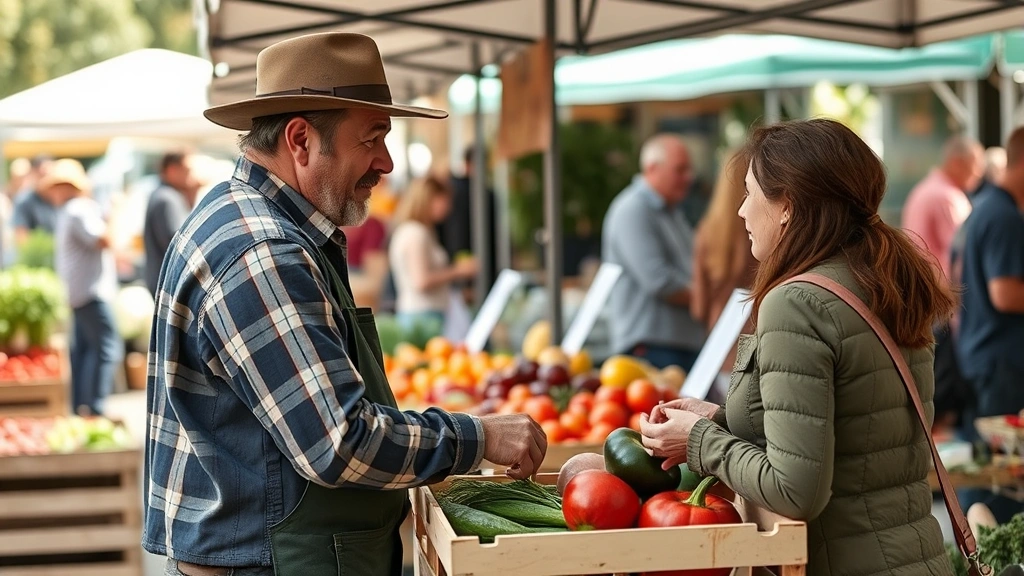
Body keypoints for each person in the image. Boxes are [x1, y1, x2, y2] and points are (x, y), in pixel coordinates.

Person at [143, 32, 546, 576]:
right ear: (301, 140)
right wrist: (481, 436)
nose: (386, 162)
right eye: (372, 138)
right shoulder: (264, 252)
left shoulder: (248, 217)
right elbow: (337, 441)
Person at [641, 119, 957, 575]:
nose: (741, 211)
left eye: (749, 194)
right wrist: (721, 419)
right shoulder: (881, 279)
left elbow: (795, 491)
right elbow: (853, 430)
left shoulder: (796, 303)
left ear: (786, 204)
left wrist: (699, 440)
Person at [954, 127, 1024, 524]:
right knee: (1002, 482)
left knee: (991, 473)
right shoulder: (1003, 215)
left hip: (987, 360)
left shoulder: (987, 208)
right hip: (1002, 366)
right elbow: (1005, 294)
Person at [602, 134, 704, 371]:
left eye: (689, 170)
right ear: (651, 168)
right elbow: (659, 281)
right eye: (680, 170)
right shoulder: (633, 210)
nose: (688, 178)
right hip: (650, 348)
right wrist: (707, 299)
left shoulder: (671, 211)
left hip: (673, 344)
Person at [46, 159, 120, 416]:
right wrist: (113, 213)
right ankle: (95, 408)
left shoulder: (70, 211)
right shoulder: (79, 208)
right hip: (90, 292)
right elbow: (104, 239)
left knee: (84, 351)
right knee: (106, 348)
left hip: (79, 293)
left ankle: (81, 407)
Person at [690, 149, 757, 401]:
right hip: (758, 346)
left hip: (720, 352)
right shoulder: (767, 235)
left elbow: (699, 308)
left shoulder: (707, 233)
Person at [389, 175, 478, 332]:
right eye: (445, 201)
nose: (449, 208)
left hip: (421, 315)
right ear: (430, 199)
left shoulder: (414, 230)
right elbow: (421, 281)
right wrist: (458, 270)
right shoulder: (416, 233)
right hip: (423, 317)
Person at [901, 135, 984, 280]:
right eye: (976, 165)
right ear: (957, 163)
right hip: (941, 291)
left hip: (921, 286)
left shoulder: (924, 188)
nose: (979, 173)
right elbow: (964, 253)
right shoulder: (947, 197)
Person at [143, 152, 198, 295]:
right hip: (169, 284)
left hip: (163, 281)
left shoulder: (164, 195)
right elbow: (177, 244)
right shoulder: (167, 198)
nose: (191, 175)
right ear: (172, 170)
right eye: (187, 170)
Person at [11, 155, 57, 245]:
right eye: (43, 174)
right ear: (34, 173)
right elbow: (21, 237)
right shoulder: (24, 200)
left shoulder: (58, 199)